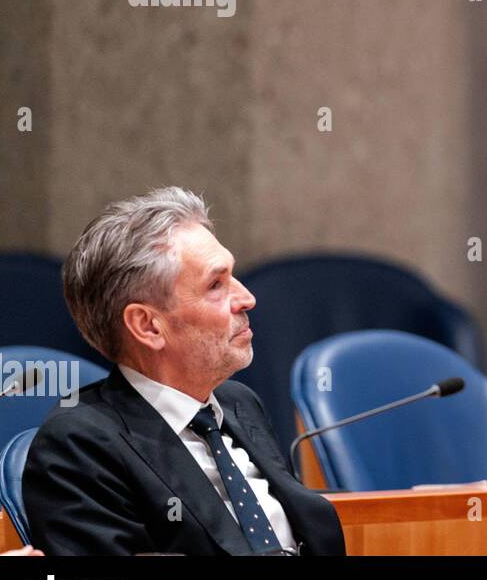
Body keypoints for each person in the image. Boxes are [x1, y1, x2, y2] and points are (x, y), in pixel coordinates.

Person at [23, 187, 346, 555]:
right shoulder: (80, 445)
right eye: (215, 285)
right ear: (148, 326)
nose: (246, 298)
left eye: (232, 276)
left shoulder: (239, 404)